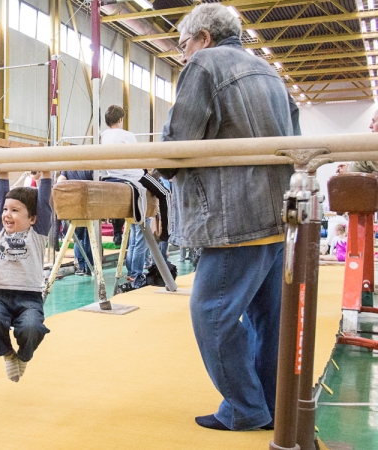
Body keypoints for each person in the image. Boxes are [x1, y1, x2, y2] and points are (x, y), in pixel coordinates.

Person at [159, 3, 299, 431]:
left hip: (233, 217)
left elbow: (180, 141)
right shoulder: (268, 71)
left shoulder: (205, 63)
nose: (183, 54)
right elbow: (293, 132)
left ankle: (243, 408)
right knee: (267, 319)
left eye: (183, 45)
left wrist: (160, 165)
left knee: (212, 315)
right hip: (277, 214)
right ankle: (271, 404)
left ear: (203, 38)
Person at [0, 171, 52, 382]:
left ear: (32, 218)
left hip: (28, 298)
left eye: (15, 210)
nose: (7, 214)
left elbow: (44, 202)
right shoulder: (3, 230)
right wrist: (2, 172)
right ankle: (7, 354)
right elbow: (0, 198)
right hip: (0, 296)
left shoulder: (37, 233)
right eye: (5, 210)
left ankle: (24, 356)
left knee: (32, 328)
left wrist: (46, 175)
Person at [100, 105, 171, 288]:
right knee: (165, 193)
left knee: (133, 233)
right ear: (121, 119)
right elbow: (138, 158)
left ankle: (132, 271)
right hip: (133, 176)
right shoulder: (127, 135)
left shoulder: (102, 136)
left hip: (111, 175)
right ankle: (166, 234)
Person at [57, 170, 94, 276]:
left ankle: (81, 266)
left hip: (73, 204)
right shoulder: (90, 167)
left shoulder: (68, 168)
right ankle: (88, 266)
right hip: (87, 204)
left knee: (79, 238)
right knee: (88, 237)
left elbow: (60, 181)